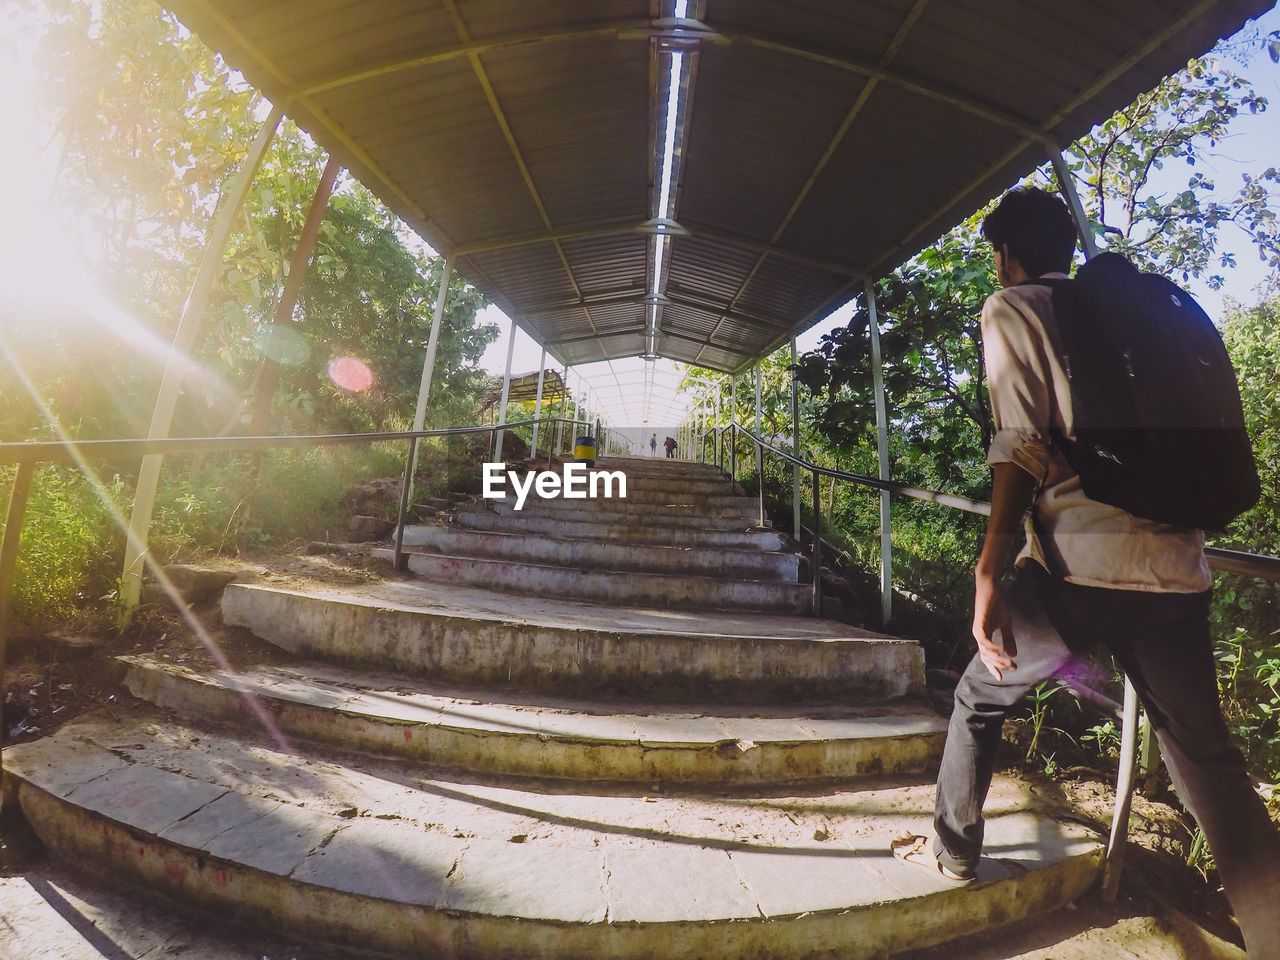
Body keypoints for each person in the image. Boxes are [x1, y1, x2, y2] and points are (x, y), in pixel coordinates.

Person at [890, 186, 1280, 957]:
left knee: (977, 694)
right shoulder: (1130, 313)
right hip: (1175, 569)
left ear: (1007, 255)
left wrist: (988, 571)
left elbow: (1019, 449)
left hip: (1078, 573)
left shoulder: (1014, 308)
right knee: (1210, 770)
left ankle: (953, 850)